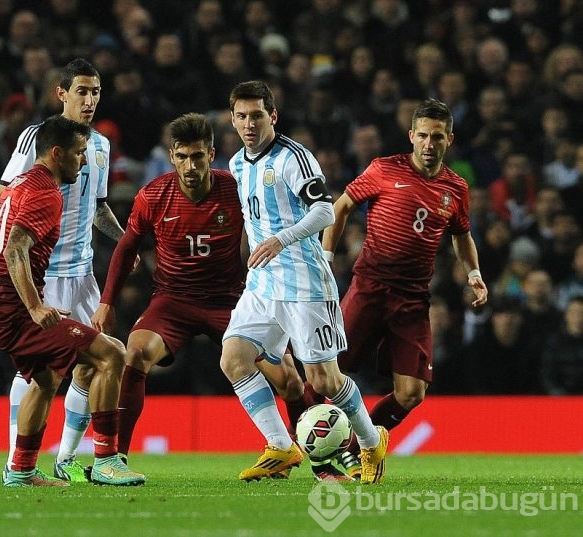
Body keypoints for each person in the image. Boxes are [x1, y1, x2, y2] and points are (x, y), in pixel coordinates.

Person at [91, 112, 306, 479]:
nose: (190, 166)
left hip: (231, 300)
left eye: (197, 157)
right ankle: (116, 459)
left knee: (288, 379)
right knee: (135, 353)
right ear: (172, 156)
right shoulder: (154, 195)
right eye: (182, 157)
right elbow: (127, 247)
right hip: (173, 300)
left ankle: (308, 454)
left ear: (211, 154)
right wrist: (107, 302)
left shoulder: (236, 189)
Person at [221, 80, 388, 483]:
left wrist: (281, 239)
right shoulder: (237, 163)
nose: (249, 124)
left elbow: (325, 212)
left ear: (273, 116)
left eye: (257, 115)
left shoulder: (294, 157)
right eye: (241, 116)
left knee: (323, 380)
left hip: (304, 283)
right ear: (232, 119)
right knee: (234, 359)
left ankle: (371, 441)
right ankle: (280, 445)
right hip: (263, 284)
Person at [321, 98, 488, 478]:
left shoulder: (456, 188)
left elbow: (462, 236)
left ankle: (361, 449)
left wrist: (474, 274)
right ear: (411, 136)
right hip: (369, 287)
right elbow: (341, 206)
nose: (429, 144)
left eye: (438, 137)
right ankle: (302, 450)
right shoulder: (383, 169)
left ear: (449, 140)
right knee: (325, 373)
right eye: (423, 136)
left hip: (412, 299)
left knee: (412, 393)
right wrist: (326, 258)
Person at [0, 115, 144, 487]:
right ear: (56, 153)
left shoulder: (18, 186)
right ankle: (106, 461)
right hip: (13, 309)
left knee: (46, 378)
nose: (83, 161)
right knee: (111, 354)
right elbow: (14, 249)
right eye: (79, 153)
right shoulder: (45, 193)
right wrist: (34, 307)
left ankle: (20, 470)